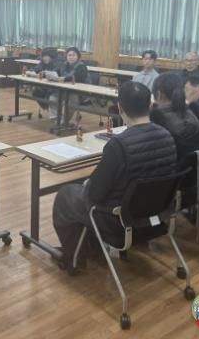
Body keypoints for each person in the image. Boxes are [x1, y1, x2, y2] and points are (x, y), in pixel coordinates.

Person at [52, 81, 177, 269]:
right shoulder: (168, 136)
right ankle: (92, 248)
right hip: (157, 219)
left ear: (120, 108)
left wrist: (87, 185)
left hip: (119, 224)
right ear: (150, 106)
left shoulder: (118, 145)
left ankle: (74, 259)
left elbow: (95, 194)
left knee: (66, 195)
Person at [150, 72, 199, 162]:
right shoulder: (195, 115)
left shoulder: (157, 121)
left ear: (158, 94)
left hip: (167, 167)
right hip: (191, 167)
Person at [47, 47, 90, 121]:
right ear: (66, 56)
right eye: (69, 55)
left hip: (79, 92)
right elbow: (56, 72)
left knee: (71, 101)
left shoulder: (81, 66)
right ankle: (57, 118)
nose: (71, 57)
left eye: (73, 55)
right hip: (66, 90)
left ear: (78, 56)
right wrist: (50, 75)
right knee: (53, 97)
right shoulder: (64, 65)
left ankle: (65, 121)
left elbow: (77, 78)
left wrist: (63, 79)